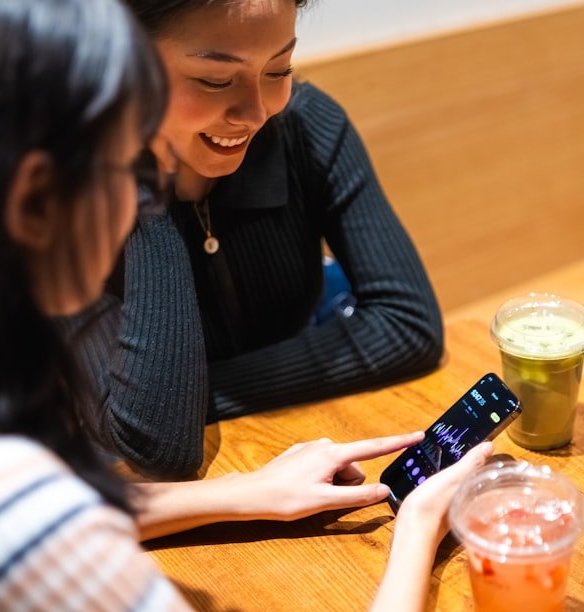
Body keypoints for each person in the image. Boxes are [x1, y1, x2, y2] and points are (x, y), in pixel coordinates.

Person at [0, 0, 492, 612]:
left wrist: (233, 494)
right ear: (32, 196)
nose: (142, 203)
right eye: (132, 166)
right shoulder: (6, 520)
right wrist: (421, 526)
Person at [58, 0, 444, 477]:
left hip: (284, 455)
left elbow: (409, 326)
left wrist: (196, 391)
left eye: (278, 70)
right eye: (215, 80)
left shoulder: (304, 126)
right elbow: (157, 449)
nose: (256, 113)